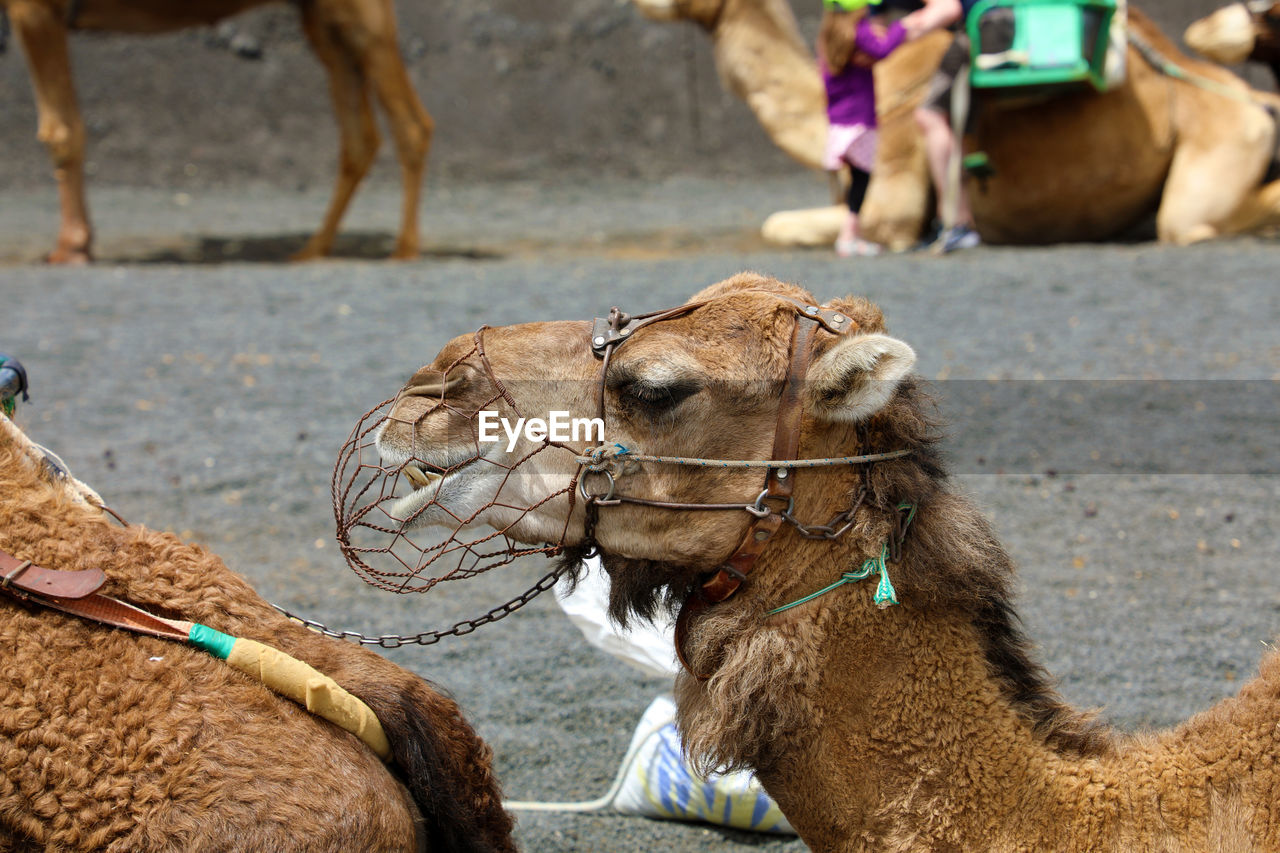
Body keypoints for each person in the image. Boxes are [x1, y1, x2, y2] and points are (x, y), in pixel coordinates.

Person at [818, 0, 908, 258]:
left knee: (856, 177)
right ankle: (848, 235)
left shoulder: (829, 36)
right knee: (862, 178)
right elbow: (882, 49)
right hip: (860, 119)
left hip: (839, 118)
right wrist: (902, 28)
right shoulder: (858, 31)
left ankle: (852, 234)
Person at [902, 0, 983, 253]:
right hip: (986, 27)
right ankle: (959, 220)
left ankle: (953, 222)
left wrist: (899, 33)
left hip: (974, 32)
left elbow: (949, 8)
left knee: (930, 116)